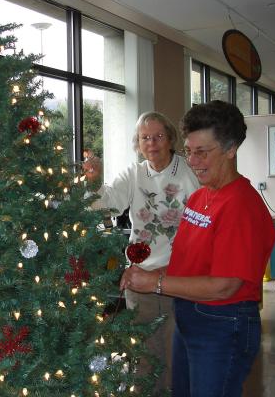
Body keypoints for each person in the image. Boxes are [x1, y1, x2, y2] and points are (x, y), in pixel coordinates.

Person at [120, 100, 275, 396]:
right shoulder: (200, 196)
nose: (192, 161)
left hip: (222, 324)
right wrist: (151, 272)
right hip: (189, 315)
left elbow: (225, 286)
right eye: (189, 151)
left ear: (231, 150)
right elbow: (190, 264)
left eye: (202, 152)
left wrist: (155, 281)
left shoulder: (240, 205)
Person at [84, 111, 199, 391]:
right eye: (145, 137)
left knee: (177, 352)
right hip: (140, 278)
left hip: (178, 278)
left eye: (158, 136)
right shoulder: (134, 174)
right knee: (145, 354)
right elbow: (106, 203)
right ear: (138, 143)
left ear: (171, 139)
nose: (152, 143)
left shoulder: (188, 172)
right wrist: (92, 181)